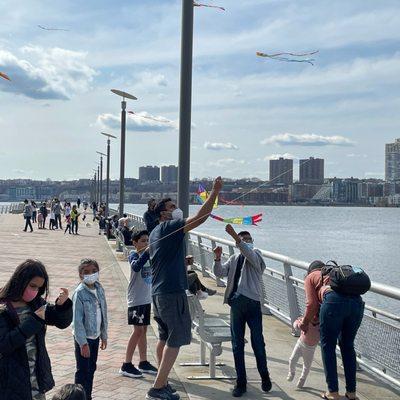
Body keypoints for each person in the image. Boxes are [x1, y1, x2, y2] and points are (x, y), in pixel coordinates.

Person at [146, 177, 222, 400]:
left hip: (159, 293)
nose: (176, 209)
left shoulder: (155, 232)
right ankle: (158, 389)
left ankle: (163, 381)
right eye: (171, 207)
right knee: (176, 338)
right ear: (163, 214)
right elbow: (201, 217)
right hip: (171, 293)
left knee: (164, 338)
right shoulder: (170, 226)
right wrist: (215, 192)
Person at [0, 259, 73, 399]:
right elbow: (4, 344)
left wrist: (62, 306)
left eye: (39, 288)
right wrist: (34, 321)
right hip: (10, 382)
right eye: (32, 286)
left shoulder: (36, 303)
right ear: (20, 280)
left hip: (36, 379)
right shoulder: (3, 307)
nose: (35, 291)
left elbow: (61, 322)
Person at [213, 225, 272, 397]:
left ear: (252, 242)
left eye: (248, 239)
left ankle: (264, 375)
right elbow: (219, 272)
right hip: (236, 303)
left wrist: (237, 239)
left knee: (257, 342)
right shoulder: (234, 258)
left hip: (253, 303)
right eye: (242, 239)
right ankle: (241, 382)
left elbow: (250, 255)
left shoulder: (257, 255)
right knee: (237, 344)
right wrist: (217, 258)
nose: (246, 242)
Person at [300, 261, 365, 400]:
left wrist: (305, 323)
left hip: (333, 303)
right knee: (347, 346)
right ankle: (351, 393)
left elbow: (311, 305)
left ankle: (333, 393)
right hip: (357, 304)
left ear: (310, 271)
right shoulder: (337, 276)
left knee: (328, 346)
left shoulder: (311, 277)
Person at [120, 230, 158, 379]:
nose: (146, 243)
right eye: (142, 241)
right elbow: (136, 266)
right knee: (137, 331)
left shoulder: (149, 256)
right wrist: (147, 253)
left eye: (148, 240)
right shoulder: (134, 255)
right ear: (134, 242)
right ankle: (126, 364)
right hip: (136, 300)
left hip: (146, 299)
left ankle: (143, 362)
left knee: (143, 331)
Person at [72, 259, 108, 400]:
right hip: (84, 339)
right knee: (82, 371)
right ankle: (78, 397)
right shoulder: (79, 293)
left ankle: (88, 396)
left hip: (96, 336)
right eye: (86, 272)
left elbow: (104, 313)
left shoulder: (99, 289)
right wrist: (83, 343)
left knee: (92, 368)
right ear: (80, 275)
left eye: (94, 271)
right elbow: (77, 321)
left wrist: (104, 335)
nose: (90, 274)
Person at [288, 315, 320, 388]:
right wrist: (298, 325)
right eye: (313, 315)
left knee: (306, 366)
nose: (315, 318)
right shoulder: (305, 319)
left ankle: (302, 379)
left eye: (317, 317)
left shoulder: (321, 325)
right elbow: (296, 323)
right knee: (292, 359)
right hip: (300, 343)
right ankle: (291, 372)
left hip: (310, 349)